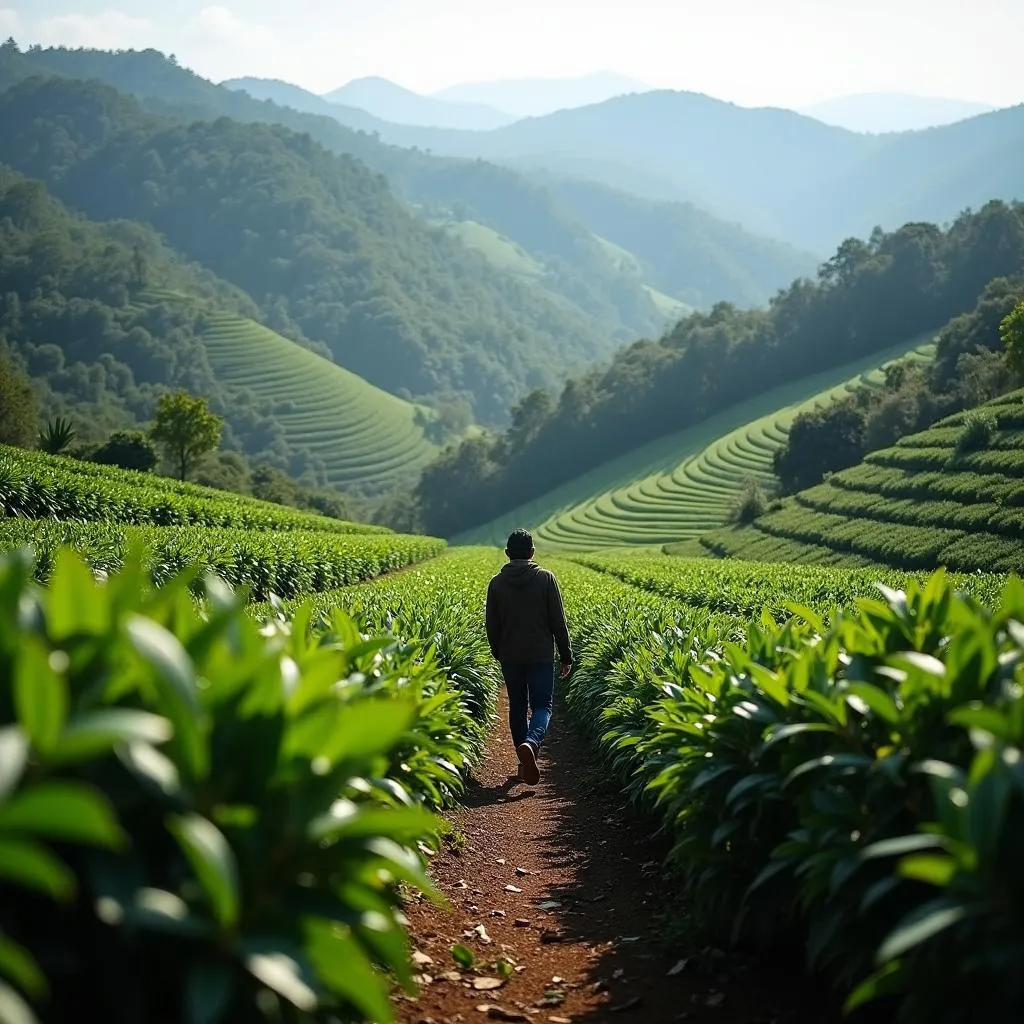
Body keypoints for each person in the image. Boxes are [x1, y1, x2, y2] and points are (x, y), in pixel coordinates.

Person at [484, 528, 572, 785]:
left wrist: (498, 651)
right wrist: (566, 655)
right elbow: (559, 621)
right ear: (532, 552)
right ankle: (532, 743)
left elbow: (492, 624)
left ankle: (523, 764)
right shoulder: (546, 578)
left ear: (507, 553)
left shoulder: (497, 583)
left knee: (518, 706)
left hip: (511, 656)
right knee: (542, 705)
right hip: (541, 654)